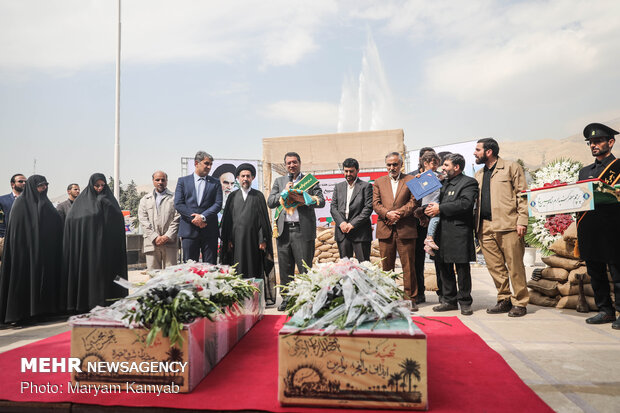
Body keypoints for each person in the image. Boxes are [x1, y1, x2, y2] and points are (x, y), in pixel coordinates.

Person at [474, 138, 529, 317]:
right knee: (495, 267)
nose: (475, 153)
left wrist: (522, 220)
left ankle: (520, 302)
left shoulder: (511, 168)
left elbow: (523, 195)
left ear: (488, 152)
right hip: (485, 227)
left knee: (515, 266)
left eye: (478, 150)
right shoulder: (479, 174)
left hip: (508, 225)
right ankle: (504, 299)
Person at [0, 175, 64, 325]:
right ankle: (22, 314)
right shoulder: (21, 204)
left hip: (43, 253)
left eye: (46, 185)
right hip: (24, 254)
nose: (44, 188)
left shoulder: (46, 204)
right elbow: (17, 231)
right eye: (41, 186)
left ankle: (41, 311)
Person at [267, 152, 325, 311]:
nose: (291, 165)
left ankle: (307, 299)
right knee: (285, 268)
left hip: (302, 230)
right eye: (288, 163)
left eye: (294, 162)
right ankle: (287, 298)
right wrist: (283, 192)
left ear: (300, 163)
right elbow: (271, 202)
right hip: (283, 231)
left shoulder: (310, 182)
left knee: (304, 267)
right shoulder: (280, 182)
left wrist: (305, 198)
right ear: (285, 165)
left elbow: (321, 202)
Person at [576, 123, 620, 329]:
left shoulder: (618, 168)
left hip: (614, 228)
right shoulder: (585, 172)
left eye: (598, 141)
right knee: (596, 272)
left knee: (618, 273)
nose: (594, 145)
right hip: (590, 228)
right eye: (591, 142)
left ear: (610, 143)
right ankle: (605, 311)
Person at [64, 173, 128, 313]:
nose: (99, 188)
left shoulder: (110, 202)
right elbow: (74, 221)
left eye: (102, 186)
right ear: (91, 185)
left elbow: (117, 220)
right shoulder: (81, 203)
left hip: (108, 250)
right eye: (96, 185)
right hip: (88, 249)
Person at [425, 154, 479, 315]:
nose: (443, 168)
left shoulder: (469, 182)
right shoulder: (442, 182)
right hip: (441, 231)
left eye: (446, 165)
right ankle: (449, 300)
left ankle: (465, 302)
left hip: (458, 232)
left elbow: (465, 204)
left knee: (462, 268)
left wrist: (440, 209)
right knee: (443, 267)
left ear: (456, 167)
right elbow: (429, 197)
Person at [220, 163, 276, 306]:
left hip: (254, 242)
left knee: (254, 268)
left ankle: (255, 299)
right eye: (243, 176)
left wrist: (262, 239)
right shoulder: (232, 196)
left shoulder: (258, 196)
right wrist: (228, 240)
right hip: (236, 242)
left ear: (252, 178)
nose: (245, 179)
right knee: (237, 268)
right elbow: (227, 221)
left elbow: (263, 220)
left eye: (248, 176)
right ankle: (239, 299)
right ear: (238, 178)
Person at [373, 152, 419, 310]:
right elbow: (376, 204)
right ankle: (388, 296)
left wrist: (397, 214)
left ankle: (411, 298)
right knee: (386, 266)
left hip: (405, 228)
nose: (392, 167)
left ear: (401, 165)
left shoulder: (411, 180)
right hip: (385, 229)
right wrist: (387, 214)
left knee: (408, 266)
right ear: (385, 165)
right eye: (389, 165)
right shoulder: (379, 182)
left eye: (395, 164)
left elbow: (414, 202)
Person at [174, 151, 223, 263]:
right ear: (197, 163)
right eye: (206, 163)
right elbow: (178, 204)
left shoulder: (215, 183)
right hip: (189, 231)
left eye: (211, 164)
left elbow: (218, 204)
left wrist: (203, 217)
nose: (209, 167)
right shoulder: (183, 181)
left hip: (209, 230)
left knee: (210, 268)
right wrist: (194, 219)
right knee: (189, 269)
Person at [330, 158, 373, 262]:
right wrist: (341, 223)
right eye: (346, 171)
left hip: (361, 233)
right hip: (343, 232)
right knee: (345, 268)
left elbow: (368, 208)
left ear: (357, 171)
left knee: (363, 267)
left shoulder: (365, 186)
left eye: (351, 171)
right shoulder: (338, 187)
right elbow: (333, 207)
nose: (348, 174)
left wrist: (352, 224)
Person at [138, 171, 180, 270]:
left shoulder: (174, 198)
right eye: (157, 180)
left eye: (163, 180)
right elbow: (143, 220)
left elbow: (177, 218)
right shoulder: (145, 199)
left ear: (167, 181)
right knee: (153, 276)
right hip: (151, 242)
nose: (160, 182)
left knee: (170, 276)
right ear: (153, 181)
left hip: (170, 242)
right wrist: (155, 237)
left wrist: (167, 236)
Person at [0, 174, 26, 260]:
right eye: (20, 181)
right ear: (12, 184)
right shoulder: (2, 200)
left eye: (26, 181)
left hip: (25, 241)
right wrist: (4, 237)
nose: (24, 183)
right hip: (7, 240)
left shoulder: (31, 202)